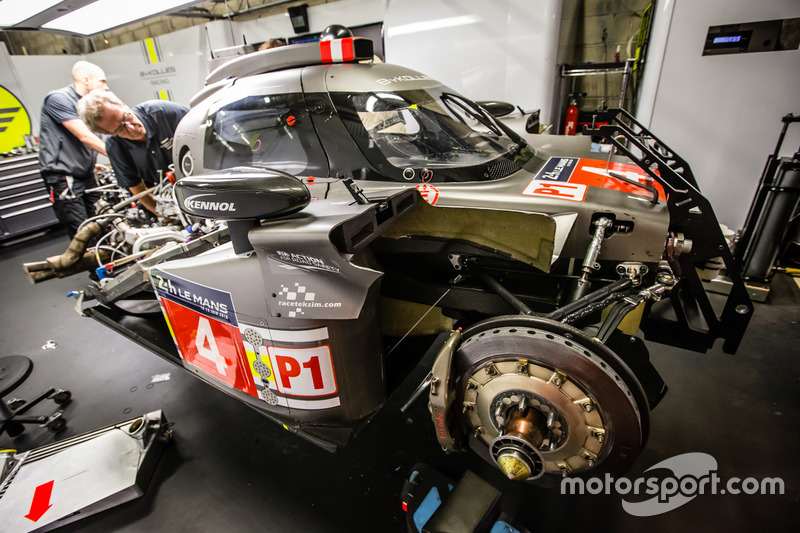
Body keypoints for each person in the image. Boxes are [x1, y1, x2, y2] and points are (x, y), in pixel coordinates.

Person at [78, 91, 189, 215]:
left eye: (126, 117)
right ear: (108, 133)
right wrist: (164, 214)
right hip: (170, 197)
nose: (131, 128)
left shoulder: (164, 112)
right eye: (120, 129)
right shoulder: (115, 147)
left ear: (123, 104)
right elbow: (137, 189)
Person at [38, 61, 109, 239]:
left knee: (102, 220)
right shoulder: (58, 99)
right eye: (102, 81)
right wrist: (119, 158)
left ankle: (113, 264)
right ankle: (96, 267)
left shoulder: (89, 104)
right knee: (83, 230)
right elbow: (84, 135)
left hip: (86, 174)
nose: (106, 87)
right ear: (86, 80)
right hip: (65, 176)